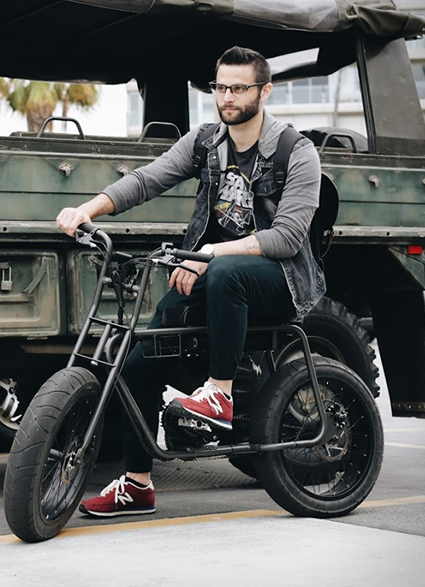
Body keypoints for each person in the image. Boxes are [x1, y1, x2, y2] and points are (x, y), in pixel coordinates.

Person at [56, 46, 325, 517]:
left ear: (265, 91)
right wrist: (87, 209)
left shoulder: (296, 153)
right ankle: (138, 483)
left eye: (239, 87)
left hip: (279, 282)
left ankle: (219, 392)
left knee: (227, 272)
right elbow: (146, 179)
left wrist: (206, 255)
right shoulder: (205, 142)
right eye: (221, 86)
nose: (228, 96)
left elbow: (287, 238)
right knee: (139, 356)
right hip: (218, 278)